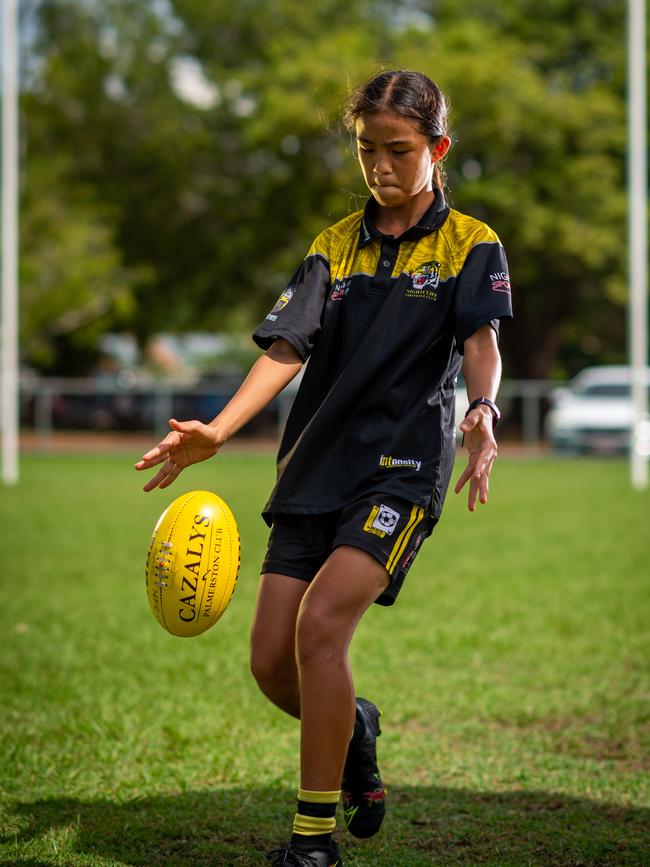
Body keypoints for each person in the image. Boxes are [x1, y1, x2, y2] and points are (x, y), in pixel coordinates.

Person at [135, 69, 512, 867]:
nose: (379, 165)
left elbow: (482, 342)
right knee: (272, 661)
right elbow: (285, 348)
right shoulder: (332, 246)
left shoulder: (469, 244)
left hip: (400, 469)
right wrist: (218, 430)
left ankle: (312, 842)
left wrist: (484, 410)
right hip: (313, 467)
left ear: (437, 149)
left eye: (398, 150)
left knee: (322, 626)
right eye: (366, 148)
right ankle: (356, 731)